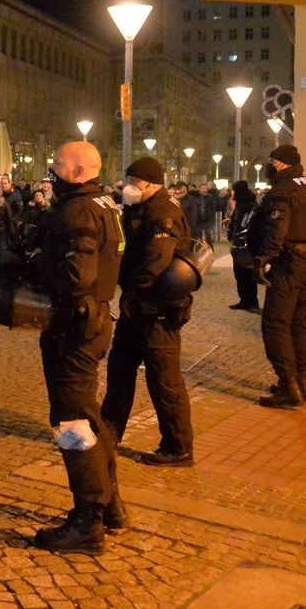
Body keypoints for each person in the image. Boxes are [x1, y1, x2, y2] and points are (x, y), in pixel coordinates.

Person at [32, 141, 126, 555]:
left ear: (76, 170)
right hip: (95, 319)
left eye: (56, 164)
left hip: (75, 323)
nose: (50, 170)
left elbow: (75, 274)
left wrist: (36, 260)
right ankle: (110, 504)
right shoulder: (106, 205)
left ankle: (88, 518)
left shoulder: (79, 210)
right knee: (88, 413)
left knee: (72, 421)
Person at [100, 157, 195, 467]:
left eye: (134, 183)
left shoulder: (164, 212)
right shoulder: (141, 209)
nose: (128, 188)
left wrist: (132, 292)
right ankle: (108, 435)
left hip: (158, 311)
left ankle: (178, 447)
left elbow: (155, 260)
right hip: (138, 308)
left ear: (152, 184)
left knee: (164, 381)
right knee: (120, 372)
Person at [250, 145, 306, 408]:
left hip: (289, 264)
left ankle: (288, 386)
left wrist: (264, 258)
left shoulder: (283, 190)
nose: (269, 164)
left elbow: (277, 228)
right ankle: (302, 383)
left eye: (271, 160)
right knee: (298, 325)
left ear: (282, 164)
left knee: (275, 324)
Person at [227, 180, 260, 311]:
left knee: (244, 273)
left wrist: (236, 237)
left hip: (244, 245)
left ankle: (250, 301)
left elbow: (242, 224)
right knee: (243, 274)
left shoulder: (245, 205)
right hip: (246, 243)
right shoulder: (247, 203)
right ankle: (246, 300)